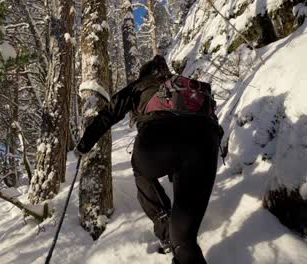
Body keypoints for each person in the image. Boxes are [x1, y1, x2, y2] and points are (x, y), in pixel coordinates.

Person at [75, 55, 221, 264]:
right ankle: (177, 239)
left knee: (141, 170)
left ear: (144, 74)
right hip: (205, 142)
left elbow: (108, 114)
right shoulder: (183, 86)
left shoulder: (139, 86)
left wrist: (84, 145)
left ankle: (163, 223)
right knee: (185, 241)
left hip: (158, 137)